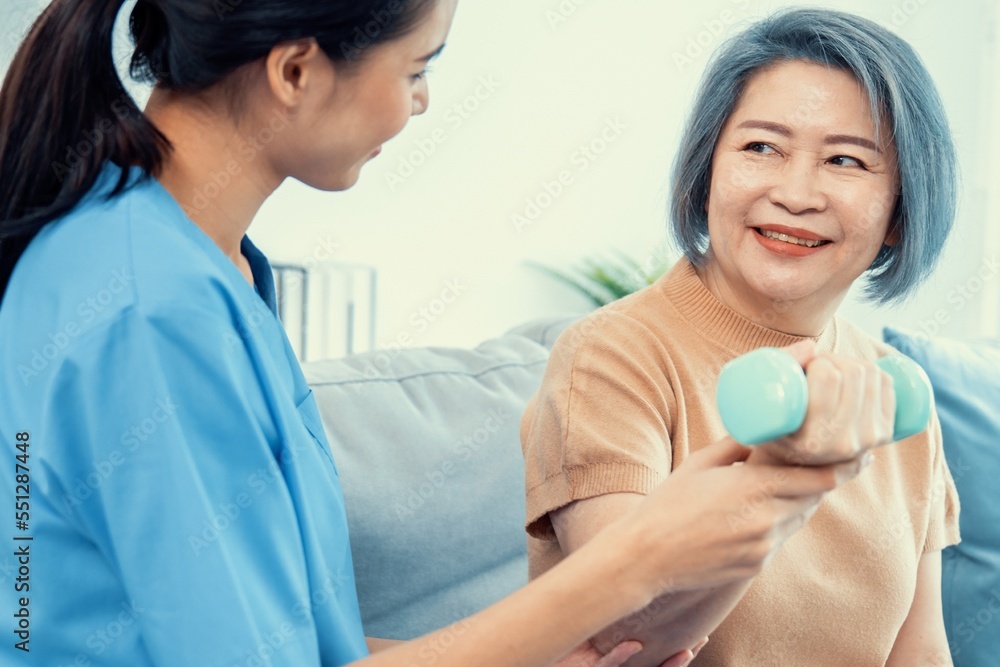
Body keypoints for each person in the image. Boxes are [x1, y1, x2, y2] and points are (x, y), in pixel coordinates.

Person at [0, 1, 870, 666]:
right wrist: (636, 559)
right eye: (418, 67)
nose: (421, 103)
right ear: (296, 71)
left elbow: (296, 642)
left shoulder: (207, 267)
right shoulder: (145, 310)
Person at [521, 7, 961, 667]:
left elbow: (921, 653)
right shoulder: (609, 357)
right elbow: (627, 628)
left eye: (845, 160)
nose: (795, 192)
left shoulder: (894, 392)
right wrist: (798, 475)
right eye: (762, 147)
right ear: (706, 174)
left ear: (899, 212)